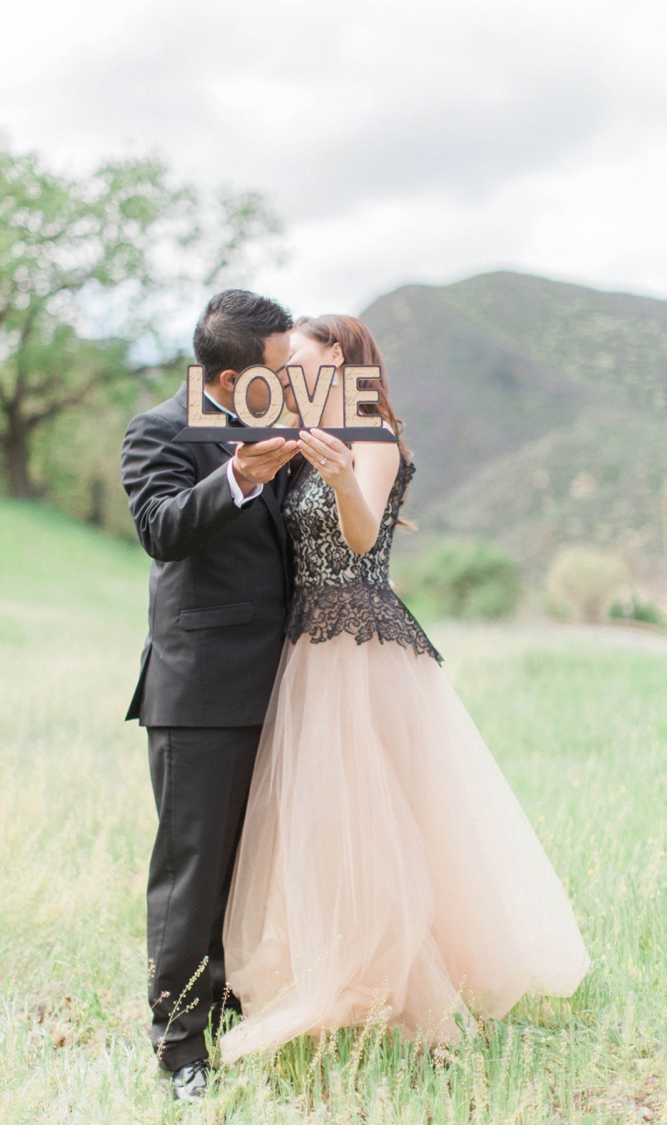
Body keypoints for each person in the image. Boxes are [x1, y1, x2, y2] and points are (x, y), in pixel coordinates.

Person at [219, 315, 590, 1064]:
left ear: (341, 359)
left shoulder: (372, 441)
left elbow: (360, 538)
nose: (289, 370)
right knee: (321, 819)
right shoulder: (297, 441)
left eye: (300, 357)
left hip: (363, 645)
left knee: (382, 816)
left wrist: (338, 474)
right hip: (307, 644)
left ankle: (404, 980)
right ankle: (330, 966)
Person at [120, 289, 298, 1100]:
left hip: (287, 685)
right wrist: (235, 475)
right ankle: (179, 1045)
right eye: (277, 369)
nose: (290, 381)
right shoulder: (160, 429)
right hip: (202, 688)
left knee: (252, 867)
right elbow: (159, 528)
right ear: (228, 378)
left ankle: (234, 1004)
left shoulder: (288, 425)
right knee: (193, 872)